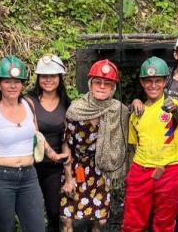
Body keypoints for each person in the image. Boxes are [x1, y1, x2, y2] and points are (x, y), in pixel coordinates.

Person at [0, 55, 68, 232]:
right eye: (7, 81)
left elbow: (36, 134)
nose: (13, 86)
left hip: (28, 175)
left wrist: (52, 154)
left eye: (17, 81)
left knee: (36, 227)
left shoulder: (28, 105)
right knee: (5, 227)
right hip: (0, 177)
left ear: (23, 84)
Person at [122, 56, 178, 232]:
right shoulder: (137, 112)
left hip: (169, 171)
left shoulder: (174, 104)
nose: (153, 85)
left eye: (158, 81)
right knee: (132, 223)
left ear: (165, 82)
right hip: (141, 170)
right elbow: (133, 147)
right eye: (148, 81)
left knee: (164, 224)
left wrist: (175, 110)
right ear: (142, 82)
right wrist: (131, 175)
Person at [60, 59, 129, 232]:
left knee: (101, 221)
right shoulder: (76, 109)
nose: (102, 86)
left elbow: (133, 129)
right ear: (90, 84)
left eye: (107, 83)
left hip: (101, 168)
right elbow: (66, 145)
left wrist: (136, 102)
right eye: (98, 82)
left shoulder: (118, 110)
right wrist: (69, 178)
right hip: (77, 167)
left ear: (113, 88)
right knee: (66, 217)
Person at [27, 55, 71, 232]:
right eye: (44, 76)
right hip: (32, 164)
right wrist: (50, 152)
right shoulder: (28, 101)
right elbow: (33, 132)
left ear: (60, 78)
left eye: (53, 76)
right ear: (38, 78)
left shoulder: (67, 104)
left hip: (55, 167)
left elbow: (68, 138)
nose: (48, 80)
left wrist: (69, 173)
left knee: (54, 212)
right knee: (32, 211)